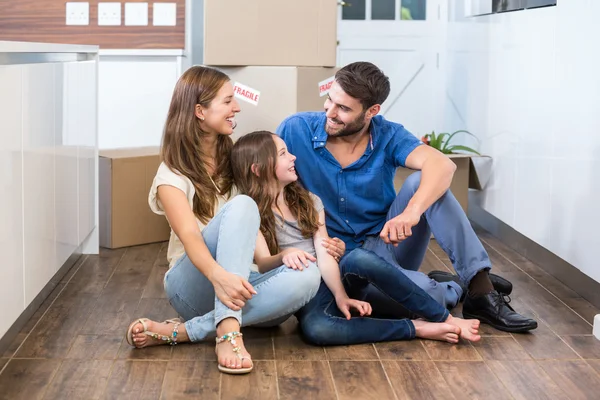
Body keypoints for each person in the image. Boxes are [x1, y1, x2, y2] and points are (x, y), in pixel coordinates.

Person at [276, 61, 538, 336]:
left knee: (423, 182)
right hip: (338, 257)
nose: (330, 112)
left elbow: (443, 165)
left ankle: (480, 287)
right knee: (429, 298)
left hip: (388, 246)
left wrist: (412, 212)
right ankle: (452, 286)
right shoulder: (296, 130)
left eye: (343, 108)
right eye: (330, 100)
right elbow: (268, 182)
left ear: (372, 111)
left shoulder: (388, 134)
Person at [124, 66, 323, 375]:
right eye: (228, 101)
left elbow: (260, 258)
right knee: (243, 204)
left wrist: (284, 257)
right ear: (200, 111)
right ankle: (229, 332)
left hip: (240, 289)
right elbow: (190, 237)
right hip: (192, 285)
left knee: (310, 274)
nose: (237, 107)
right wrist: (219, 276)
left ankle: (184, 332)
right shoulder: (171, 175)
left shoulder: (236, 162)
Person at [230, 131, 481, 345]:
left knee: (360, 258)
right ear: (258, 169)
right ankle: (417, 328)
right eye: (283, 153)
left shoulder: (308, 201)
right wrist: (284, 256)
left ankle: (444, 318)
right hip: (306, 290)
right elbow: (263, 262)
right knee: (317, 329)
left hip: (336, 275)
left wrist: (341, 296)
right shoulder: (249, 210)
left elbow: (325, 253)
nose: (293, 156)